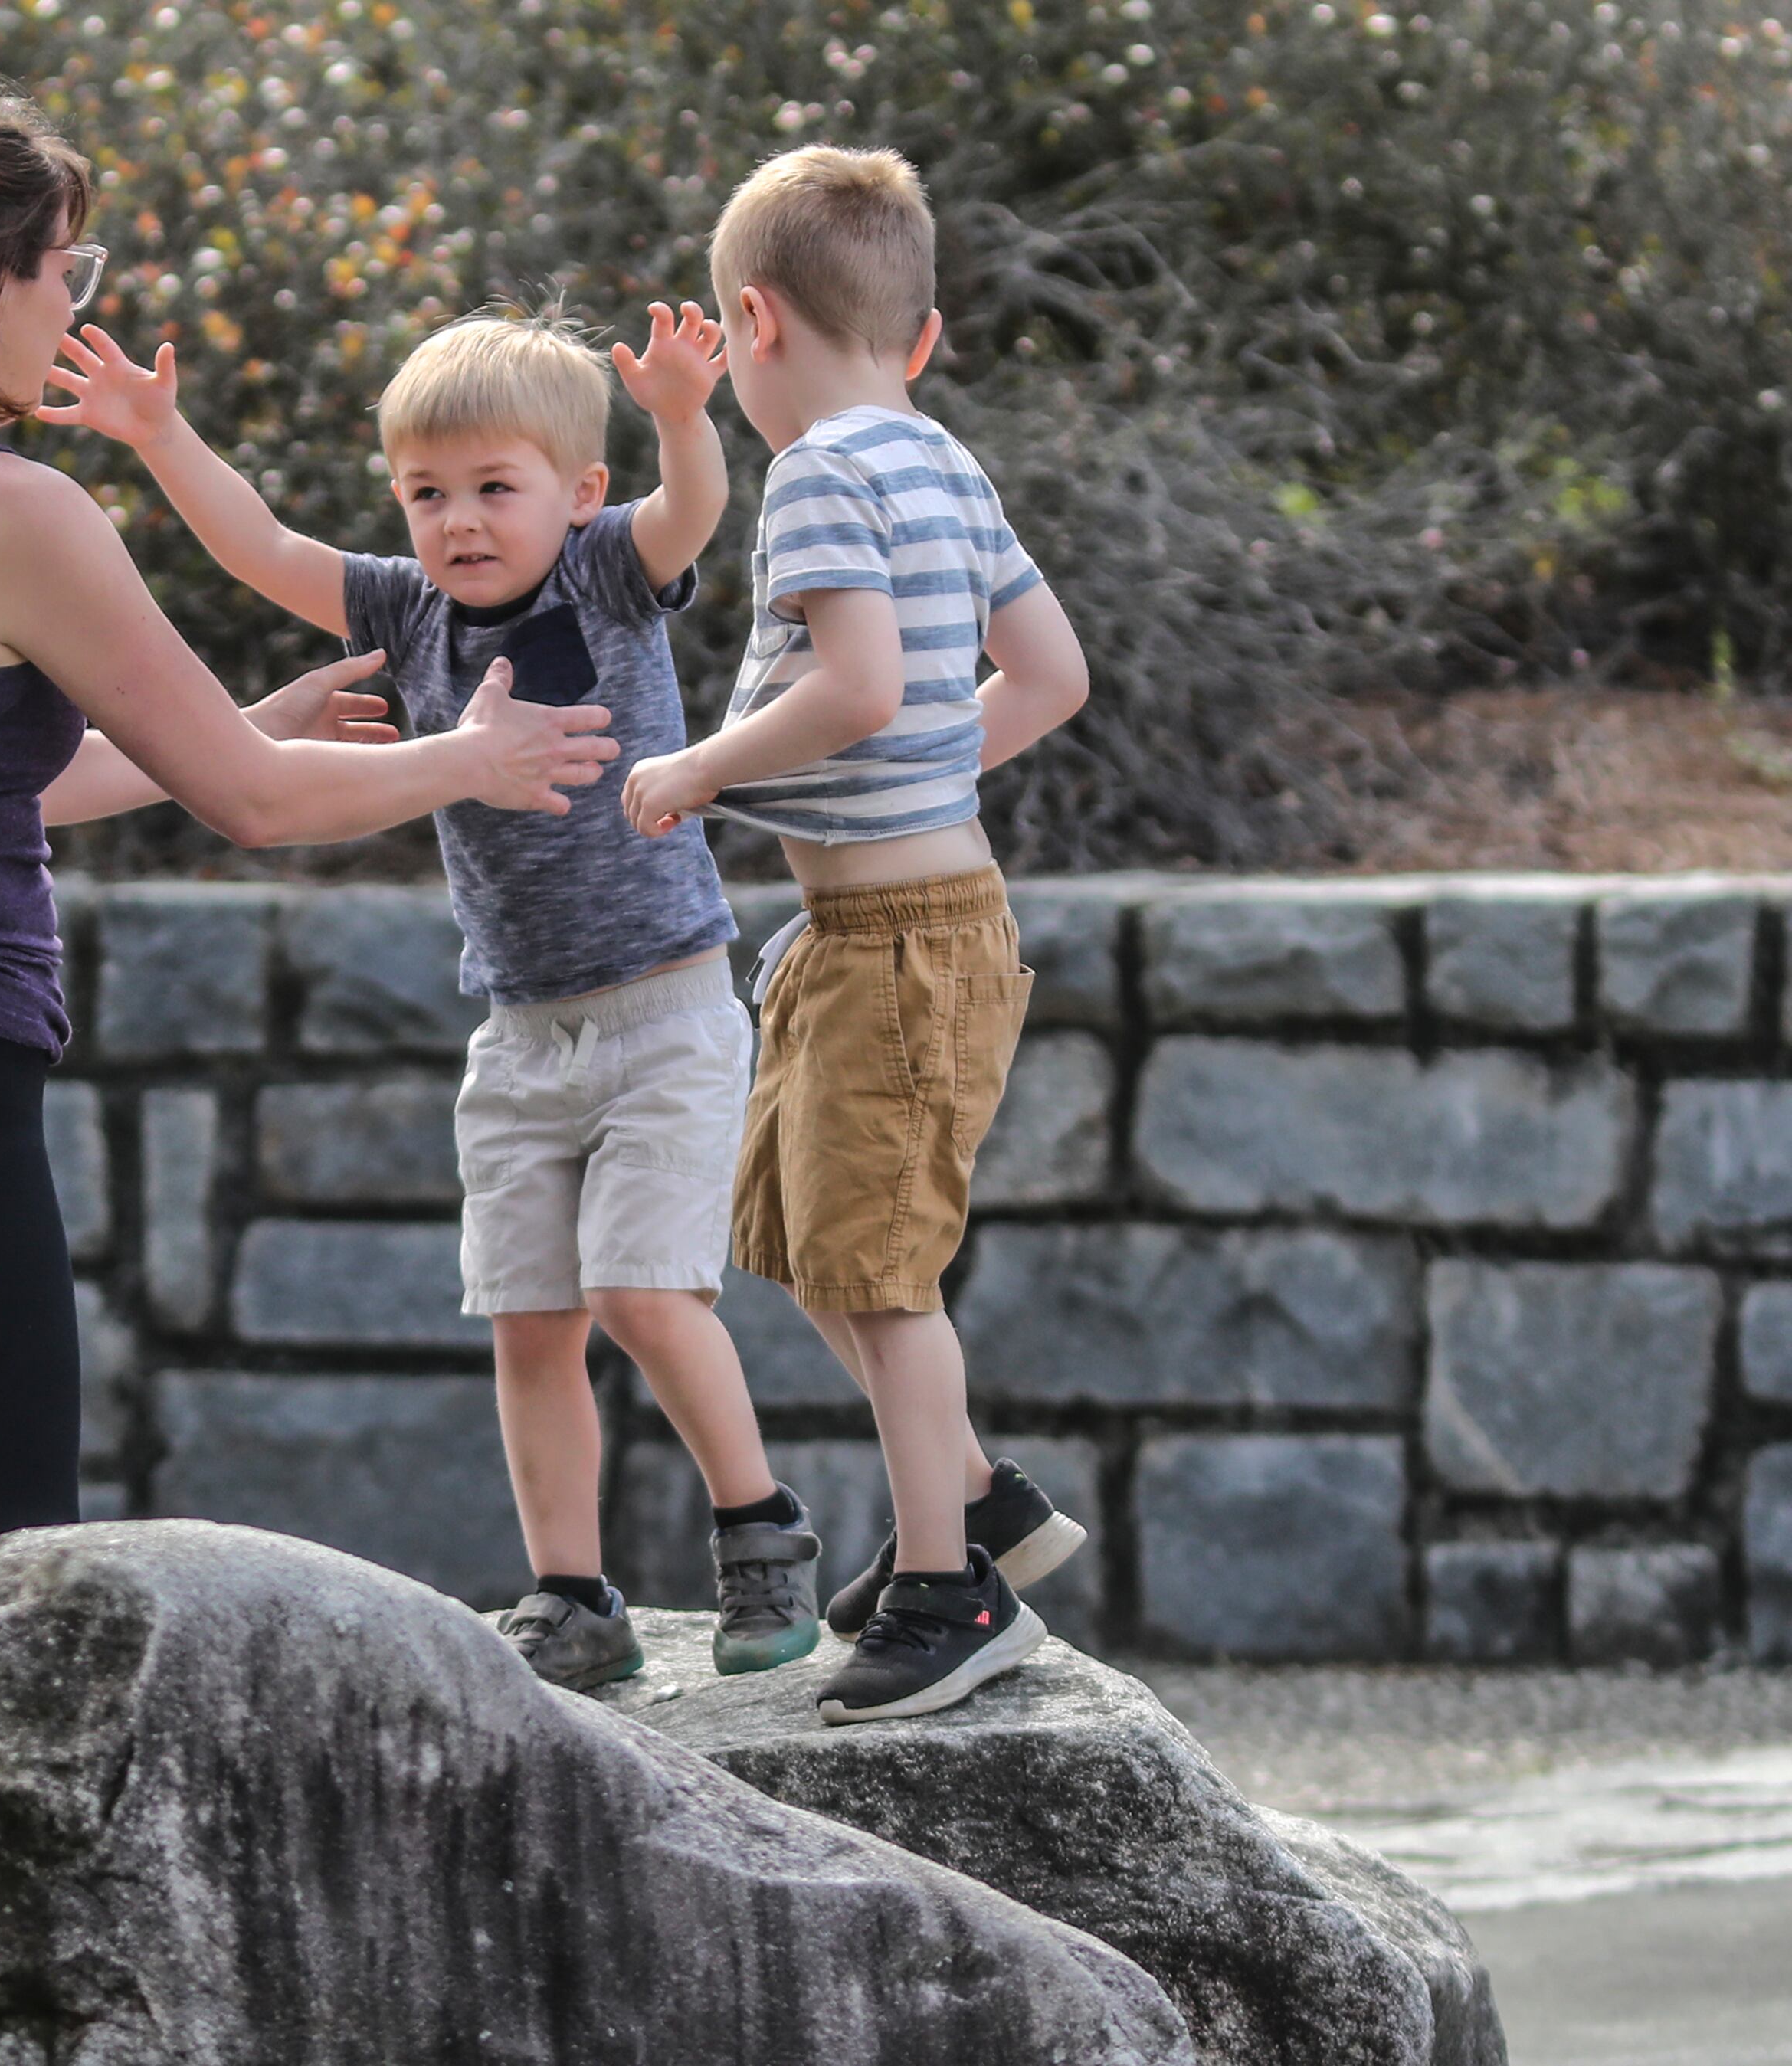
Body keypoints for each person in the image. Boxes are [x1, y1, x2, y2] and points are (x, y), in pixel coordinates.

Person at [0, 72, 619, 1589]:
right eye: (58, 269)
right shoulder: (4, 505)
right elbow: (256, 806)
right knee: (17, 1609)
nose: (72, 306)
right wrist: (471, 755)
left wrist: (240, 726)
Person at [44, 302, 824, 1689]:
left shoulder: (602, 573)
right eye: (425, 493)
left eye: (493, 489)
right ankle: (573, 1593)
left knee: (644, 1294)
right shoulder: (406, 610)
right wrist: (160, 436)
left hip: (665, 1008)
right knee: (530, 1321)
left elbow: (691, 509)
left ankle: (760, 1526)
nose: (457, 521)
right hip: (521, 1032)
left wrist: (684, 414)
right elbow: (264, 549)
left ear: (576, 493)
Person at [621, 145, 1094, 1724]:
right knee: (814, 1244)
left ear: (748, 321)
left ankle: (949, 1591)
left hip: (896, 935)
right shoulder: (943, 460)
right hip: (888, 922)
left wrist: (698, 766)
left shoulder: (824, 469)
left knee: (883, 1277)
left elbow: (863, 687)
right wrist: (920, 778)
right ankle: (985, 1509)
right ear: (925, 333)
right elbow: (1048, 678)